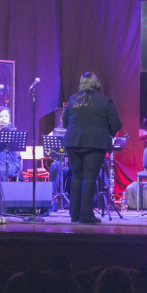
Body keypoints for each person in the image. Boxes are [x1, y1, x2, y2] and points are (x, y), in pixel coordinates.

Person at [61, 72, 122, 224]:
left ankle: (74, 215)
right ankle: (86, 216)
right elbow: (116, 124)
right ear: (96, 83)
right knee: (89, 178)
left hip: (73, 142)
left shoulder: (73, 100)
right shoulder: (104, 101)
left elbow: (64, 121)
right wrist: (105, 133)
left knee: (76, 177)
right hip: (95, 143)